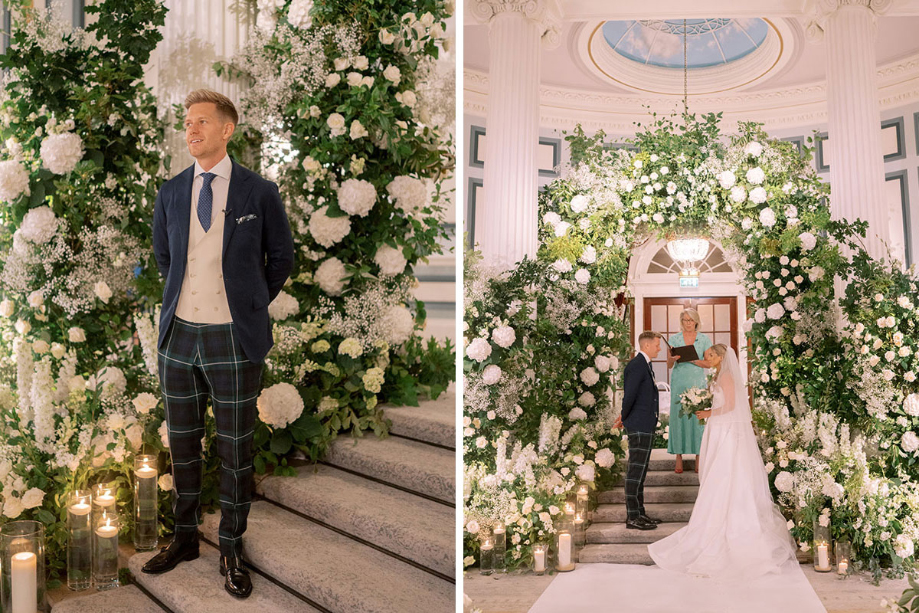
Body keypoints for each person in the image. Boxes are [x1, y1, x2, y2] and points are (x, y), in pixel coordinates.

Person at [144, 89, 295, 598]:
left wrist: (247, 305)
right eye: (187, 122)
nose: (191, 130)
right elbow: (167, 259)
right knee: (182, 446)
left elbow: (282, 259)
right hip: (179, 335)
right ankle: (185, 537)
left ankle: (231, 544)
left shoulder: (259, 191)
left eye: (202, 122)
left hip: (234, 336)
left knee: (235, 447)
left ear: (226, 129)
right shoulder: (170, 192)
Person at [648, 344, 797, 579]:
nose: (707, 359)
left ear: (720, 357)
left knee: (724, 475)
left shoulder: (726, 375)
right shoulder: (718, 374)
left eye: (710, 356)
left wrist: (708, 413)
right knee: (715, 475)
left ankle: (728, 525)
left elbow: (730, 407)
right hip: (717, 429)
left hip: (725, 430)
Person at [615, 331, 664, 531]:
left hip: (646, 423)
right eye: (657, 345)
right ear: (646, 346)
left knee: (641, 471)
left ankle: (640, 512)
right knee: (635, 471)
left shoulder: (646, 365)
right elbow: (630, 396)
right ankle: (632, 517)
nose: (659, 348)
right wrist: (624, 418)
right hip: (638, 423)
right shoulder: (636, 366)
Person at [666, 308, 712, 474]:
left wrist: (693, 359)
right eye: (685, 320)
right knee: (679, 418)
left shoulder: (704, 339)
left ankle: (699, 457)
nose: (688, 323)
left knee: (697, 418)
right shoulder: (674, 338)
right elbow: (669, 365)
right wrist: (672, 359)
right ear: (681, 322)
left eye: (691, 320)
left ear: (696, 321)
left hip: (697, 383)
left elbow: (709, 363)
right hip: (679, 382)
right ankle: (678, 457)